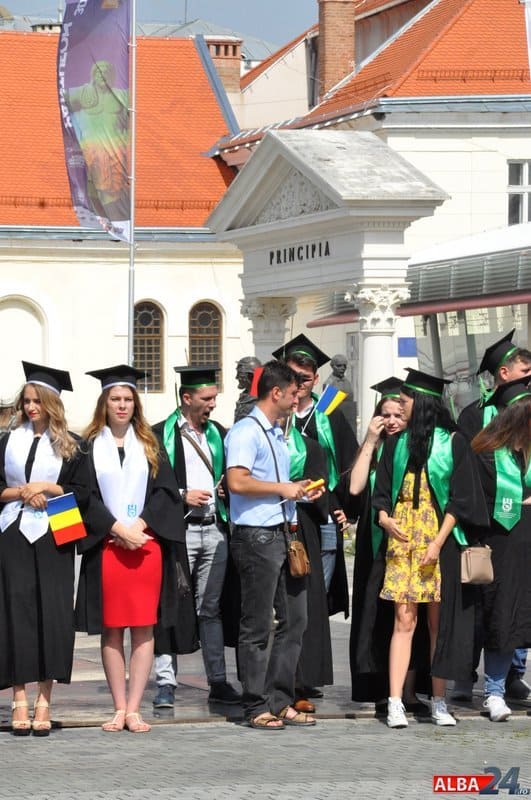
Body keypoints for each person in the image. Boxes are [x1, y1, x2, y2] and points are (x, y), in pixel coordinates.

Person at [75, 365, 191, 733]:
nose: (122, 405)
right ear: (105, 403)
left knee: (143, 628)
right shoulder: (88, 446)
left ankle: (135, 708)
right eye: (115, 399)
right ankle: (118, 707)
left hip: (145, 546)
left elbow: (166, 493)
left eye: (127, 399)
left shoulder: (151, 444)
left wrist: (138, 526)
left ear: (135, 404)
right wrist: (116, 528)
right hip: (108, 546)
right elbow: (83, 496)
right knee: (112, 629)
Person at [373, 368, 489, 728]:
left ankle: (439, 700)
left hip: (440, 543)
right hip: (402, 541)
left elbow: (461, 499)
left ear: (421, 403)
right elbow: (381, 493)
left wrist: (438, 543)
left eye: (405, 402)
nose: (400, 408)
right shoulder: (396, 444)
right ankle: (395, 702)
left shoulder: (452, 443)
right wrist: (384, 519)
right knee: (404, 620)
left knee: (438, 624)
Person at [224, 360, 324, 730]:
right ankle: (254, 704)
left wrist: (299, 490)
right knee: (257, 625)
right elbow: (237, 481)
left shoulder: (278, 433)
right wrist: (283, 488)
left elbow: (274, 485)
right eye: (294, 393)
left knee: (296, 620)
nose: (298, 399)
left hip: (285, 532)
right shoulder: (246, 432)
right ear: (276, 392)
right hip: (256, 537)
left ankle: (280, 699)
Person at [0, 362, 88, 736]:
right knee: (15, 611)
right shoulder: (7, 441)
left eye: (37, 401)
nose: (31, 407)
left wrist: (49, 489)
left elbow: (84, 493)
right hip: (13, 529)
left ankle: (44, 700)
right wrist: (22, 492)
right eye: (27, 401)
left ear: (51, 403)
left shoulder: (72, 444)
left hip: (58, 528)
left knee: (53, 613)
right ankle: (19, 697)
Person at [152, 365, 240, 708]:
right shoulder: (160, 435)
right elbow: (152, 485)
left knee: (210, 608)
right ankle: (165, 682)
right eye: (207, 398)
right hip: (180, 532)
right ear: (187, 398)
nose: (213, 404)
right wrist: (183, 494)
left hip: (214, 529)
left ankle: (217, 680)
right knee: (169, 606)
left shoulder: (218, 433)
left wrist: (225, 488)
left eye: (214, 398)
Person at [457, 331, 531, 703]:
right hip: (492, 528)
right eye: (525, 372)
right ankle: (473, 676)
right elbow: (469, 477)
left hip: (522, 531)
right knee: (487, 606)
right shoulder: (475, 418)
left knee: (518, 606)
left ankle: (511, 676)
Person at [348, 377, 426, 711]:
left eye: (398, 415)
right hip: (376, 543)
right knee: (376, 615)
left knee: (409, 617)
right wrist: (369, 440)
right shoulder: (376, 449)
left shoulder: (417, 449)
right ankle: (381, 687)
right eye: (386, 415)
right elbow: (355, 488)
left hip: (408, 543)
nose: (392, 421)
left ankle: (409, 691)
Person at [273, 334, 358, 616]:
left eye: (305, 378)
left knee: (318, 592)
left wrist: (346, 508)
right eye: (293, 376)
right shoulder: (271, 416)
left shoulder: (329, 414)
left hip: (323, 513)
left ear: (316, 379)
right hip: (280, 512)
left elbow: (348, 463)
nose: (299, 383)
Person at [471, 378, 531, 721]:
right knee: (504, 617)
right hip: (503, 547)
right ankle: (493, 692)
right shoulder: (486, 453)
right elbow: (483, 501)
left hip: (526, 545)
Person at [281, 401, 333, 713]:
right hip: (265, 527)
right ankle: (268, 685)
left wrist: (312, 493)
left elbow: (321, 495)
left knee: (301, 606)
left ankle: (299, 684)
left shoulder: (311, 448)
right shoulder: (256, 443)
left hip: (302, 530)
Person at [323, 353, 357, 432]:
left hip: (349, 422)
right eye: (339, 366)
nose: (342, 368)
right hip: (335, 424)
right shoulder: (329, 383)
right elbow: (326, 409)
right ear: (332, 366)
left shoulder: (348, 383)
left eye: (344, 366)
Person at [234, 356, 262, 423]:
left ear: (250, 376)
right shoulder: (245, 397)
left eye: (240, 374)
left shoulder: (261, 399)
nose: (236, 377)